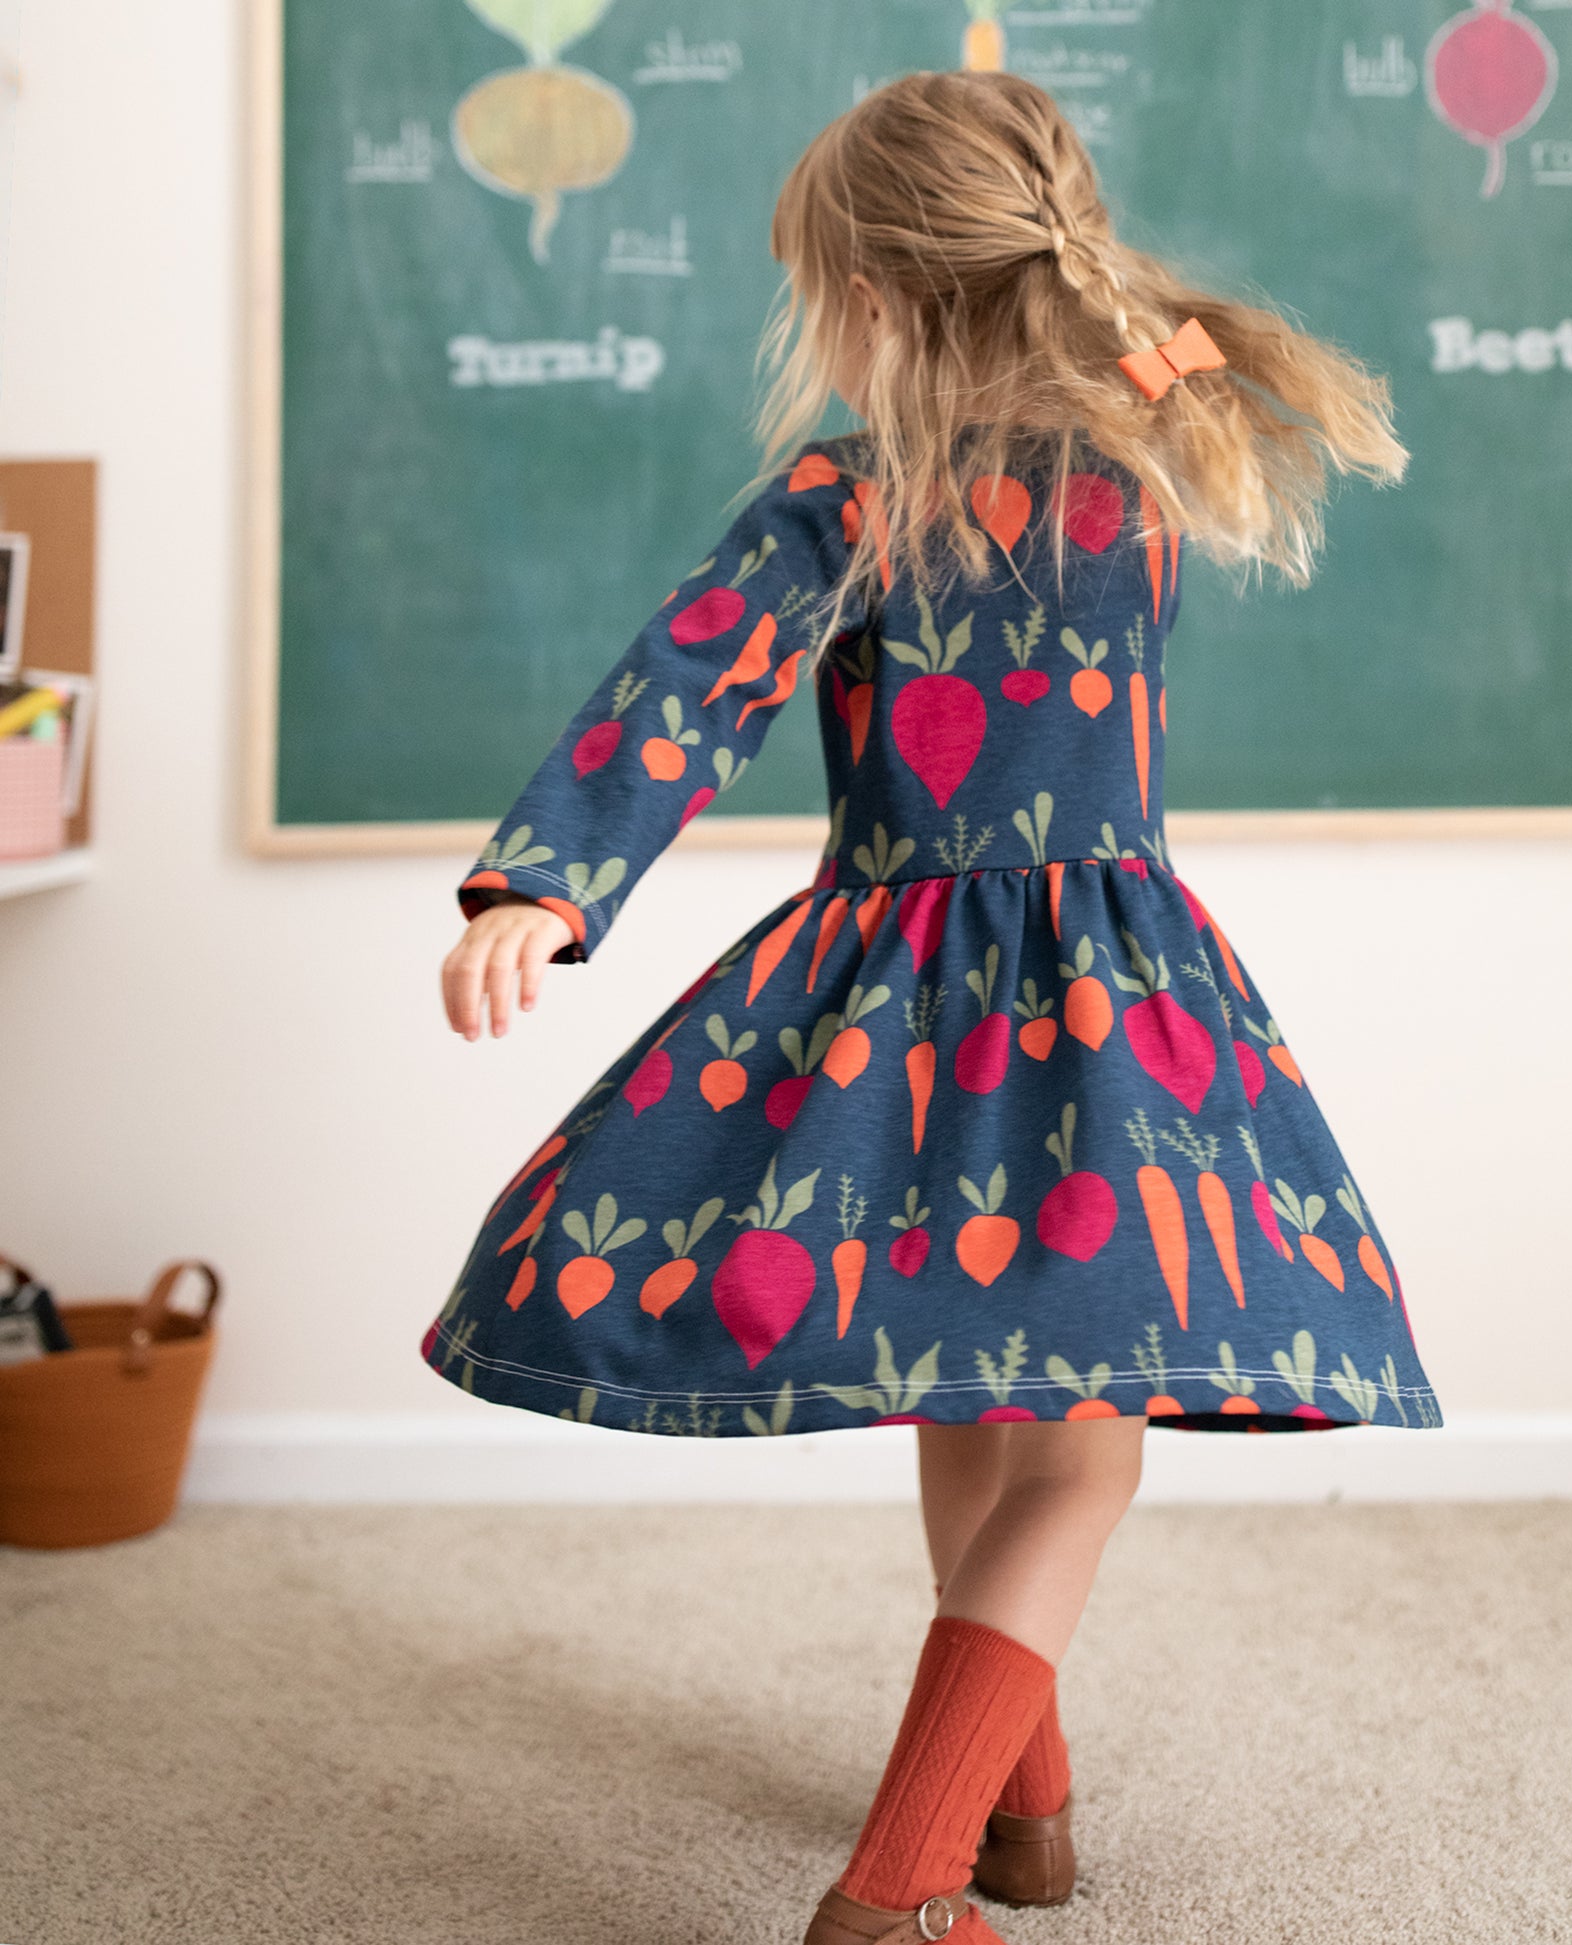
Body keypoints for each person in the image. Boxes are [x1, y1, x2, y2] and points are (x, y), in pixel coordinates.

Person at [429, 68, 1443, 1945]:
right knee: (1070, 1440)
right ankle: (934, 1867)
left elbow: (690, 681)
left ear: (876, 295)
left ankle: (972, 1837)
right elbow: (716, 671)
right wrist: (546, 879)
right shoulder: (1147, 462)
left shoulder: (854, 489)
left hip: (894, 1012)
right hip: (1113, 1006)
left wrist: (548, 880)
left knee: (971, 1403)